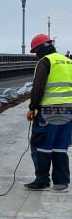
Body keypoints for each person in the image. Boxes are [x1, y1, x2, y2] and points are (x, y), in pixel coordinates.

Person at [24, 33, 72, 192]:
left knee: (40, 145)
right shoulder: (68, 61)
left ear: (40, 48)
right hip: (68, 111)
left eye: (35, 51)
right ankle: (61, 183)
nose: (36, 55)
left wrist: (32, 107)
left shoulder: (46, 61)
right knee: (60, 147)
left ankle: (42, 181)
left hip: (49, 111)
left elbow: (38, 87)